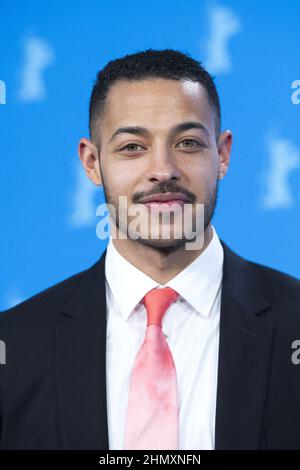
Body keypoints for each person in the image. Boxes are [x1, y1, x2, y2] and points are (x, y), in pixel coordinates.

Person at [1, 48, 300, 450]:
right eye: (132, 147)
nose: (163, 169)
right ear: (92, 162)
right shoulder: (14, 345)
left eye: (189, 142)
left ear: (223, 154)